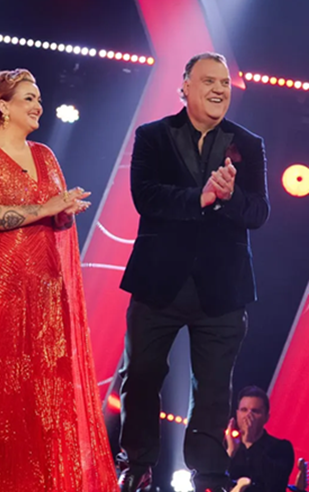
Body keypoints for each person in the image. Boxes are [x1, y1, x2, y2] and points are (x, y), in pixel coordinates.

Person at [0, 68, 118, 491]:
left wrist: (64, 208)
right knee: (11, 401)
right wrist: (46, 208)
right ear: (3, 107)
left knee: (50, 401)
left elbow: (55, 210)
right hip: (3, 294)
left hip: (47, 292)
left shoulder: (45, 154)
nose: (37, 105)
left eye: (38, 97)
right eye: (28, 97)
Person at [117, 52, 270, 492]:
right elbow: (145, 196)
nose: (220, 89)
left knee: (214, 388)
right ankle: (137, 462)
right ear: (184, 86)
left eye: (224, 82)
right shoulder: (152, 136)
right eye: (208, 80)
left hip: (222, 289)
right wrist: (199, 198)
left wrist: (228, 196)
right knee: (142, 374)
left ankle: (207, 476)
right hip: (158, 282)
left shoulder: (249, 143)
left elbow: (258, 212)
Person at [226, 386, 295, 492]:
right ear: (237, 414)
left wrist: (250, 443)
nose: (248, 416)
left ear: (266, 417)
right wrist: (230, 453)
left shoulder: (281, 448)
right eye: (244, 410)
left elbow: (275, 483)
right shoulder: (227, 444)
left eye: (255, 411)